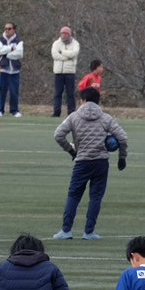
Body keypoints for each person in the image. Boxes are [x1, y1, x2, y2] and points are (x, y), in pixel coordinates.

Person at [53, 87, 128, 240]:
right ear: (98, 101)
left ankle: (66, 230)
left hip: (82, 162)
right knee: (95, 198)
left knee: (74, 196)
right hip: (101, 162)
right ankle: (89, 232)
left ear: (83, 100)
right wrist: (122, 157)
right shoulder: (106, 118)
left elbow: (58, 135)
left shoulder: (74, 117)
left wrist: (71, 151)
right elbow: (122, 137)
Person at [0, 22, 24, 116]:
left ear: (14, 30)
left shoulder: (19, 41)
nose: (7, 30)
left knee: (14, 92)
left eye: (9, 28)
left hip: (14, 71)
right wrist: (11, 48)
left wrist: (7, 55)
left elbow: (20, 54)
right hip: (2, 70)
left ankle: (14, 111)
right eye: (5, 28)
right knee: (1, 91)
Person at [51, 27, 82, 117]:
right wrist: (66, 57)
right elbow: (55, 55)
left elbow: (74, 53)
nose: (63, 35)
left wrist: (62, 52)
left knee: (70, 93)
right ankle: (56, 112)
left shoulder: (75, 44)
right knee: (58, 93)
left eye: (65, 34)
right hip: (58, 72)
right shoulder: (56, 43)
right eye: (62, 33)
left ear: (69, 35)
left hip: (70, 72)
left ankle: (71, 112)